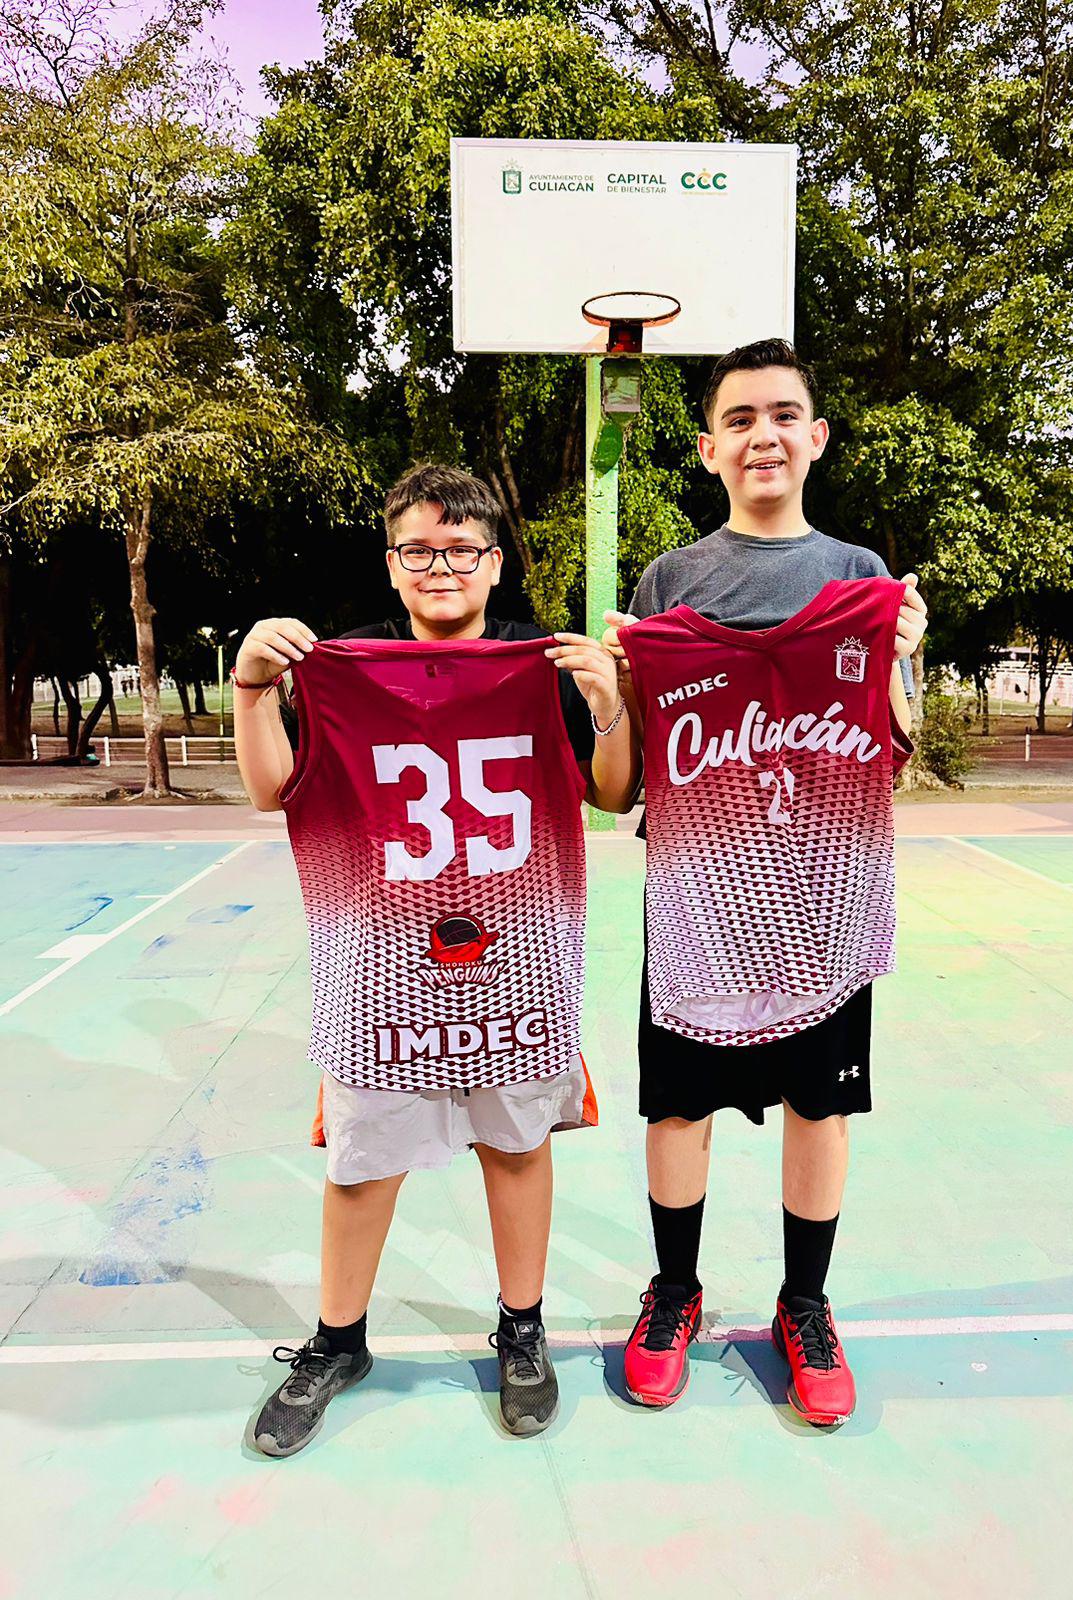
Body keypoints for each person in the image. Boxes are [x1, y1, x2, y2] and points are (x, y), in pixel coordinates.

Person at [233, 464, 639, 1454]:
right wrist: (248, 688)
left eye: (462, 549)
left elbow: (613, 795)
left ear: (495, 563)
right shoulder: (342, 667)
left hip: (520, 956)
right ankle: (338, 1339)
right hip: (383, 964)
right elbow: (269, 790)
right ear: (394, 564)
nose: (441, 564)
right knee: (365, 1161)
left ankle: (523, 1324)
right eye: (421, 548)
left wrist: (617, 705)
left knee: (516, 1145)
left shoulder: (546, 667)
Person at [602, 339, 927, 1425]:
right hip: (698, 898)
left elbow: (896, 747)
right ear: (708, 447)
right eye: (740, 419)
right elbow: (632, 771)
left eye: (784, 414)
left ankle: (805, 1302)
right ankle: (677, 1292)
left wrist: (898, 662)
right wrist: (612, 689)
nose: (764, 435)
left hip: (822, 898)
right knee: (678, 1104)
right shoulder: (670, 583)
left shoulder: (862, 581)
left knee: (819, 1103)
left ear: (816, 436)